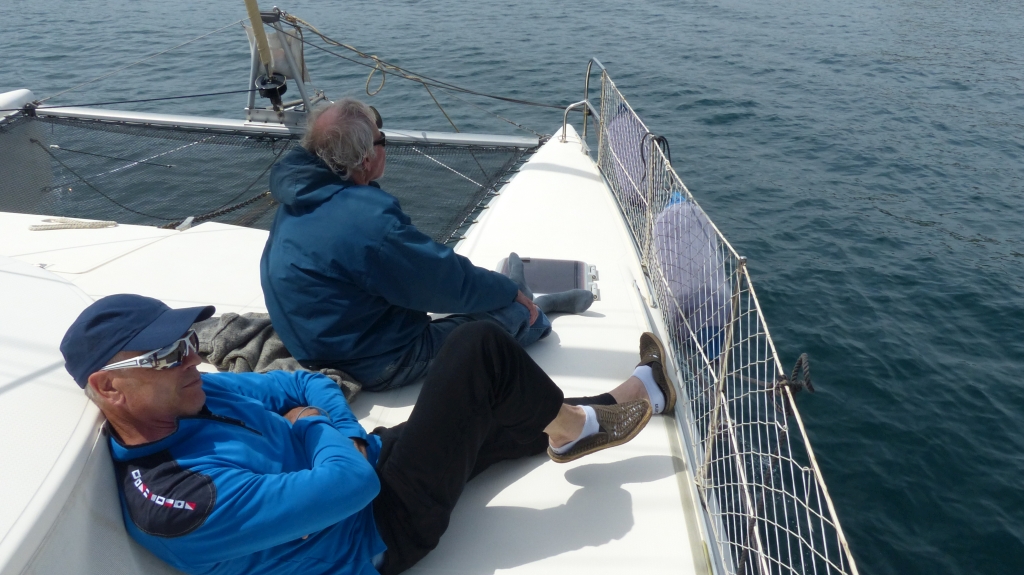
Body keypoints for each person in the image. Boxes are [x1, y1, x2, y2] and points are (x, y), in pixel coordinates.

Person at [59, 294, 675, 575]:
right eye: (169, 354)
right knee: (477, 348)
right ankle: (578, 431)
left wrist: (336, 433)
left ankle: (641, 394)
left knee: (492, 403)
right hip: (379, 533)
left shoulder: (193, 396)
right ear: (110, 388)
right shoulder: (180, 497)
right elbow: (351, 485)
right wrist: (318, 432)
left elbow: (304, 384)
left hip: (368, 464)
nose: (193, 358)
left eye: (190, 342)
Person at [260, 98, 595, 392]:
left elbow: (418, 271)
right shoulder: (367, 221)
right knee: (505, 317)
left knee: (473, 293)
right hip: (375, 360)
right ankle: (536, 311)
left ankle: (518, 294)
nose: (384, 145)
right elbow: (442, 280)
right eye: (381, 139)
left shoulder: (300, 194)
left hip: (313, 342)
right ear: (364, 160)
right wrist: (507, 292)